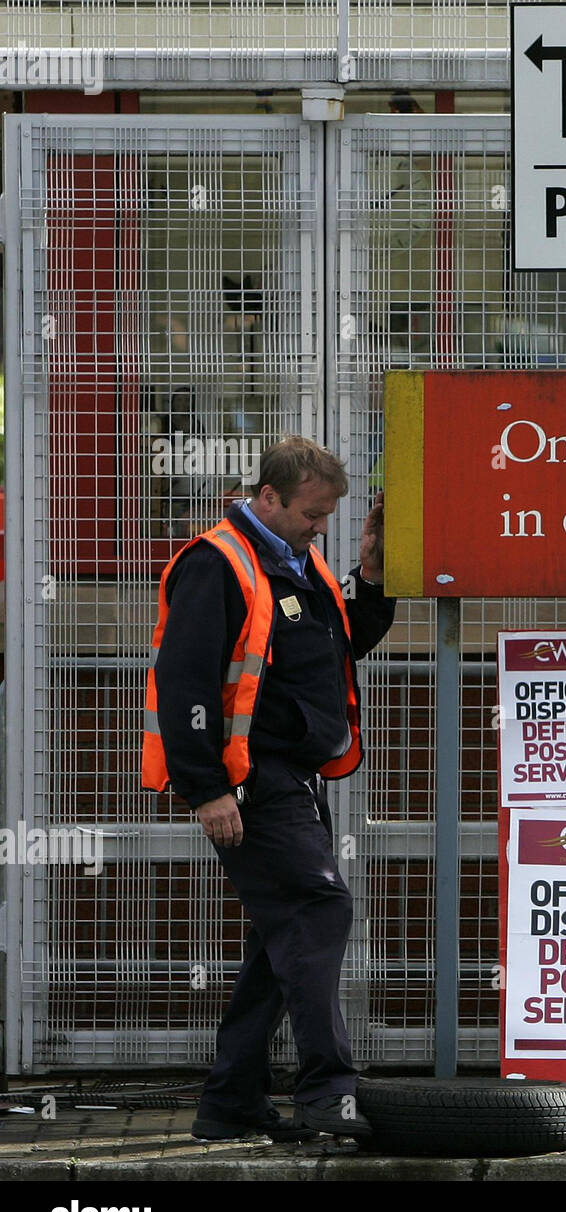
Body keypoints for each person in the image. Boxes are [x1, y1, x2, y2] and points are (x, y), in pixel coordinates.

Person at [142, 436, 395, 1142]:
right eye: (312, 514)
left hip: (289, 776)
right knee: (318, 909)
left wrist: (370, 577)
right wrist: (207, 789)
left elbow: (339, 648)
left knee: (282, 936)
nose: (322, 528)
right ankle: (329, 1095)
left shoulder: (294, 562)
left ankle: (230, 1100)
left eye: (329, 517)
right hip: (250, 781)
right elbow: (183, 682)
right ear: (269, 498)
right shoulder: (216, 564)